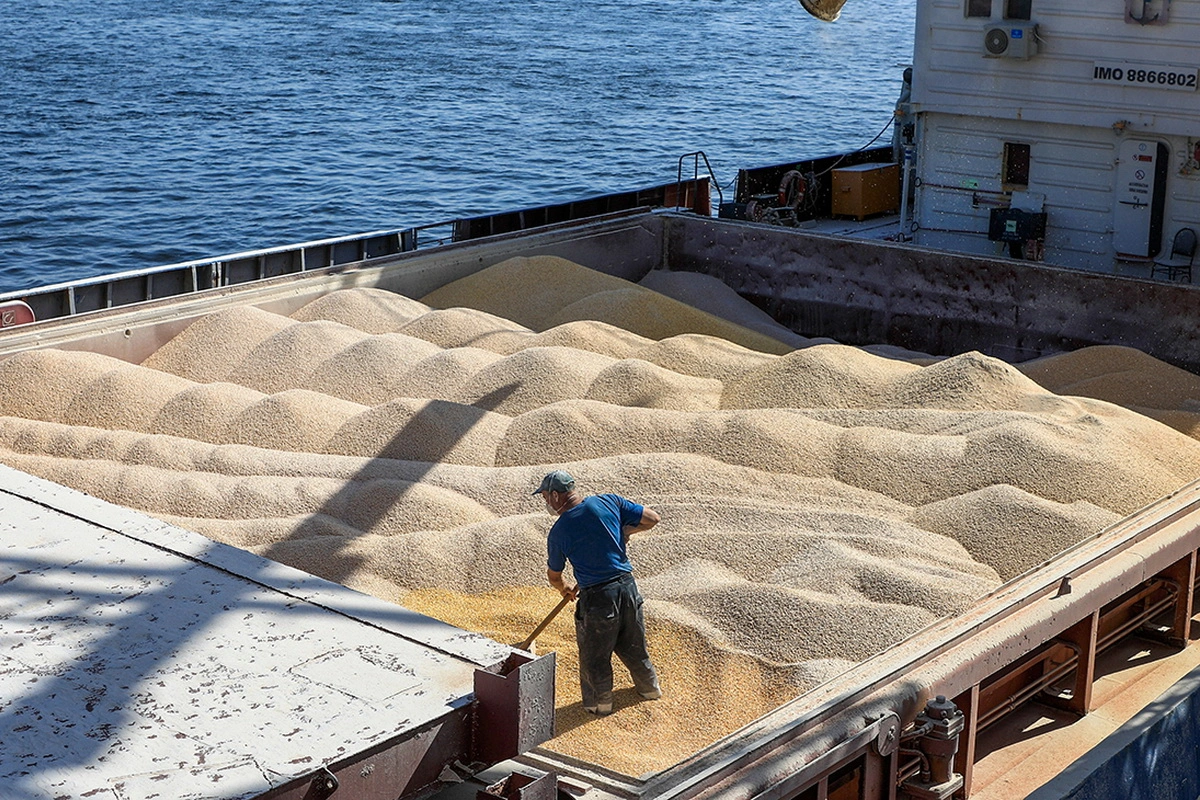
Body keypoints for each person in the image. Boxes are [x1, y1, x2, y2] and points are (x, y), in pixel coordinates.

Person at [534, 469, 661, 716]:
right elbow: (652, 519)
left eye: (546, 497)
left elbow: (554, 575)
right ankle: (650, 690)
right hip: (628, 588)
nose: (545, 502)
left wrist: (565, 589)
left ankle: (599, 706)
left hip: (598, 598)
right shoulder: (609, 501)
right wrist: (623, 532)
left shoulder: (559, 531)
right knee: (634, 644)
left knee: (595, 655)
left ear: (557, 496)